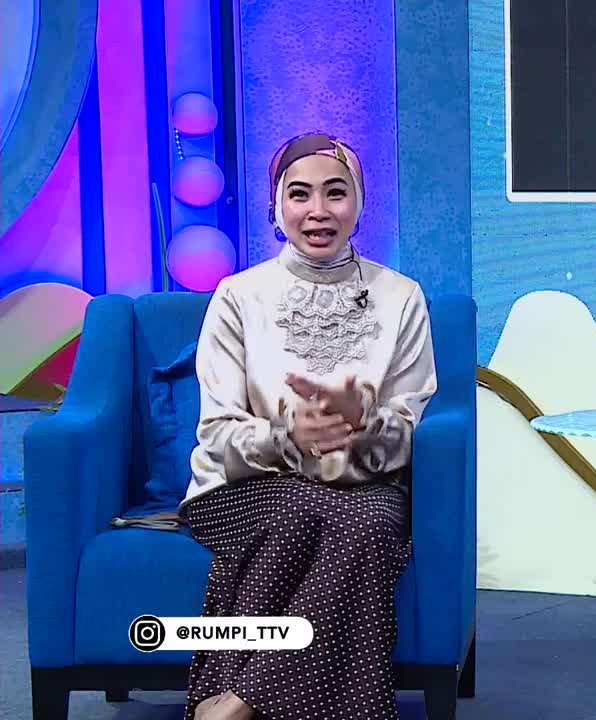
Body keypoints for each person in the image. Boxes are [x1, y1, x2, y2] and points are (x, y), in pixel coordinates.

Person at [176, 133, 437, 720]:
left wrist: (362, 425)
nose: (318, 211)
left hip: (366, 488)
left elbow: (408, 433)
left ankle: (237, 699)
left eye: (336, 193)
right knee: (306, 510)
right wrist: (289, 439)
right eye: (299, 195)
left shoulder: (402, 299)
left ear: (360, 204)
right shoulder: (238, 297)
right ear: (275, 207)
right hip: (240, 489)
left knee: (366, 523)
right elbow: (217, 432)